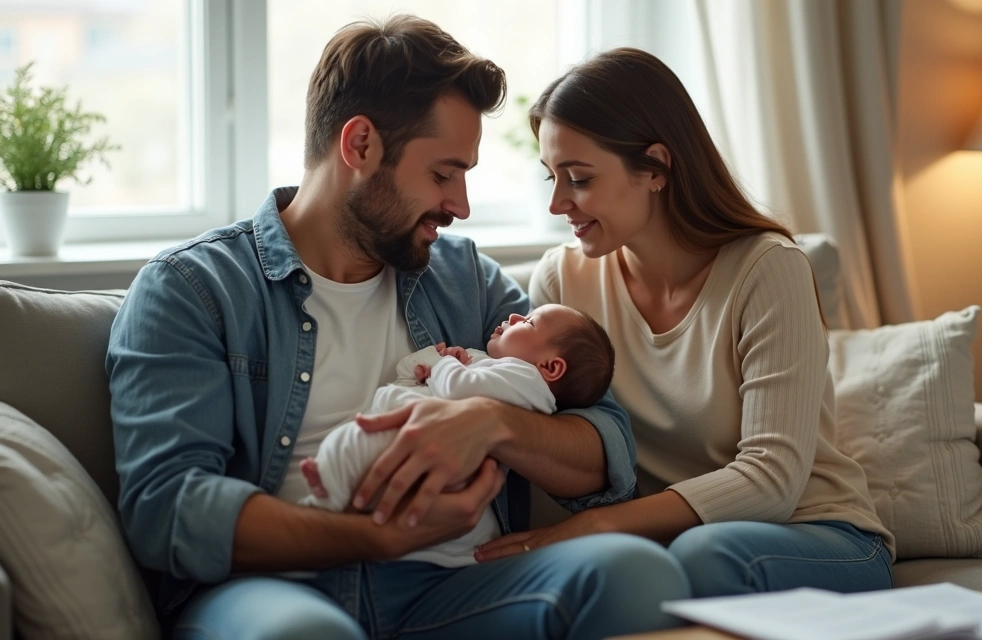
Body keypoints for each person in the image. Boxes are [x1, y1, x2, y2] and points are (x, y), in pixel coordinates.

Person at [107, 18, 687, 640]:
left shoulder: (466, 279)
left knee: (635, 573)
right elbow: (167, 510)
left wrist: (492, 422)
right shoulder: (194, 289)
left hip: (454, 584)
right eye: (443, 174)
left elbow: (606, 445)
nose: (461, 204)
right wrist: (374, 537)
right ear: (359, 145)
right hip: (278, 590)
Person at [474, 47, 896, 597]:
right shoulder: (560, 283)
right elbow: (567, 446)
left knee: (699, 554)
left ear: (654, 167)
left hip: (816, 535)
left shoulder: (768, 269)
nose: (558, 204)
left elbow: (772, 480)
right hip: (663, 545)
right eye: (551, 176)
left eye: (577, 178)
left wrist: (596, 528)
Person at [299, 304, 615, 534]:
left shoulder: (525, 381)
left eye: (529, 322)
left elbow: (459, 388)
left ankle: (323, 505)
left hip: (416, 441)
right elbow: (415, 374)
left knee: (352, 446)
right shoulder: (496, 367)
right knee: (349, 446)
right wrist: (426, 366)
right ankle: (330, 489)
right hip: (405, 432)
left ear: (550, 368)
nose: (515, 316)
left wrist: (444, 365)